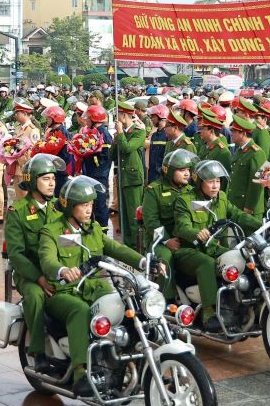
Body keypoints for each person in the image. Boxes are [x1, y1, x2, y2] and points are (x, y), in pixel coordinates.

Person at [38, 176, 146, 396]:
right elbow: (47, 259)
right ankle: (80, 372)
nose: (88, 210)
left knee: (117, 299)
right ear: (69, 205)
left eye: (90, 205)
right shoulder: (52, 231)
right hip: (62, 291)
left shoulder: (93, 228)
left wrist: (143, 261)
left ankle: (118, 354)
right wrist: (62, 270)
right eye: (83, 205)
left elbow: (115, 248)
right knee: (80, 311)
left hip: (91, 286)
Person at [173, 160, 262, 332]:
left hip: (212, 248)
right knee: (206, 263)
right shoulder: (185, 200)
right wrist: (195, 233)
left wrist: (262, 225)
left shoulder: (220, 198)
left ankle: (248, 304)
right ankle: (209, 313)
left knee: (241, 256)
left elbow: (237, 215)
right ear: (199, 181)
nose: (215, 186)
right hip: (189, 250)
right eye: (210, 181)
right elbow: (182, 226)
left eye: (218, 181)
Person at [4, 154, 65, 373]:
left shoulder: (58, 210)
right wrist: (39, 278)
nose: (52, 183)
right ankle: (38, 352)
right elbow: (17, 255)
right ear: (31, 182)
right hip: (29, 274)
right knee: (37, 296)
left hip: (56, 270)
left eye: (53, 179)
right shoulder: (18, 212)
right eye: (46, 179)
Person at [142, 149, 199, 301]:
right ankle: (167, 301)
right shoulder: (153, 190)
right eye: (181, 170)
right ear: (169, 170)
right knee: (165, 258)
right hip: (160, 240)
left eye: (188, 169)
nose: (187, 173)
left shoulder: (190, 190)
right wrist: (167, 240)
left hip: (185, 237)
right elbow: (151, 221)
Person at [112, 101, 146, 248]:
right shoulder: (123, 133)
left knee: (133, 215)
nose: (115, 119)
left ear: (124, 116)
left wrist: (120, 133)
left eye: (117, 115)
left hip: (133, 178)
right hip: (123, 177)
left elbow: (127, 148)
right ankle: (127, 244)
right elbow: (113, 155)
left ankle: (138, 246)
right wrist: (116, 137)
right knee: (124, 215)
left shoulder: (139, 131)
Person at [227, 114, 265, 219]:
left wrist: (249, 207)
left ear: (242, 133)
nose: (231, 135)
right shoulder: (240, 150)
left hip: (249, 208)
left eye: (234, 132)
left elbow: (258, 183)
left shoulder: (257, 153)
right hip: (237, 203)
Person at [82, 104, 113, 231]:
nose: (86, 121)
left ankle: (102, 233)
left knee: (100, 207)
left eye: (88, 118)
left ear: (95, 119)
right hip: (92, 175)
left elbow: (104, 158)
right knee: (93, 206)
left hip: (99, 175)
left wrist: (91, 154)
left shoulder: (103, 134)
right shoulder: (95, 132)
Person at [12, 100, 41, 199]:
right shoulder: (18, 128)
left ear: (25, 113)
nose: (15, 115)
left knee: (26, 196)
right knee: (18, 195)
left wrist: (20, 159)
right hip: (16, 167)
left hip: (26, 167)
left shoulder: (33, 130)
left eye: (17, 113)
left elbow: (34, 150)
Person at [145, 104, 169, 184]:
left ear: (160, 117)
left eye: (153, 117)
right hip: (152, 174)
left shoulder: (167, 135)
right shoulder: (154, 135)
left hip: (161, 176)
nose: (151, 119)